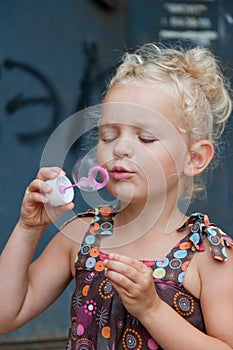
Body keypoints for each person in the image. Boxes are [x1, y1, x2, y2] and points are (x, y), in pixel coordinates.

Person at [0, 43, 233, 350]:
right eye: (108, 135)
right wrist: (28, 228)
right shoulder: (80, 236)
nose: (120, 148)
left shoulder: (210, 255)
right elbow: (6, 316)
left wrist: (151, 310)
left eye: (145, 137)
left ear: (193, 158)